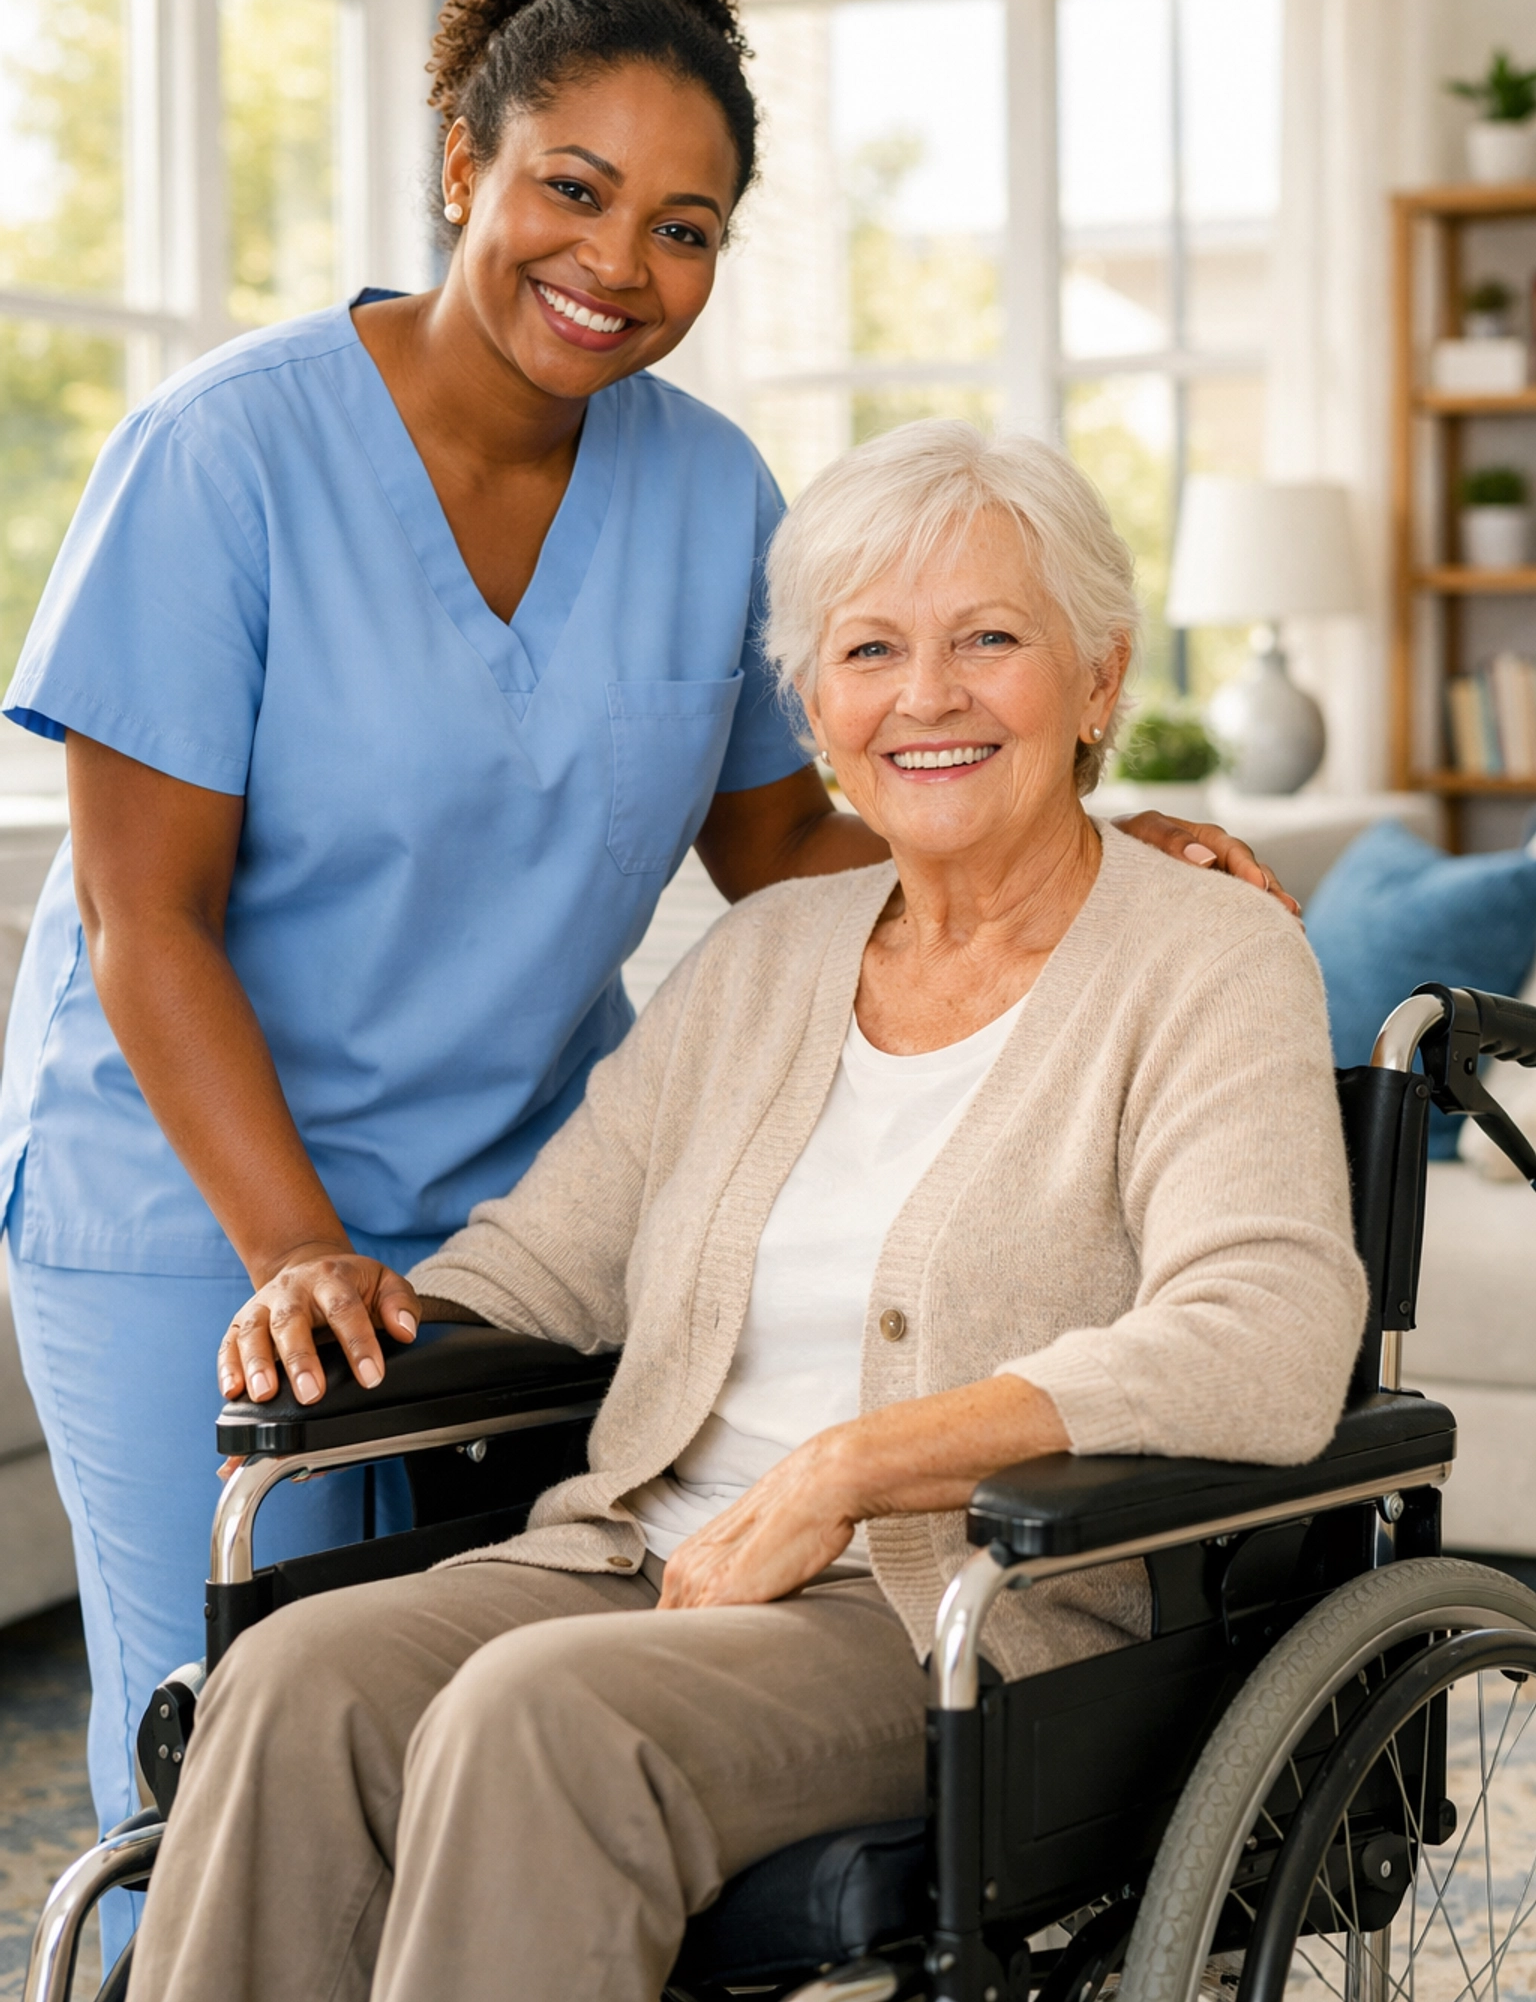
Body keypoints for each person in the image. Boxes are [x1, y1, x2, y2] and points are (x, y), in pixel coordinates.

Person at [130, 421, 1364, 2002]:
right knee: (298, 1675)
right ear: (816, 709)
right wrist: (355, 1297)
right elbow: (541, 1264)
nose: (927, 694)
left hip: (945, 1611)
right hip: (635, 1558)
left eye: (992, 638)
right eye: (870, 649)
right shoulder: (766, 957)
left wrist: (853, 1470)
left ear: (1100, 679)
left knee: (543, 1718)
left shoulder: (1206, 956)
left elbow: (1263, 1334)